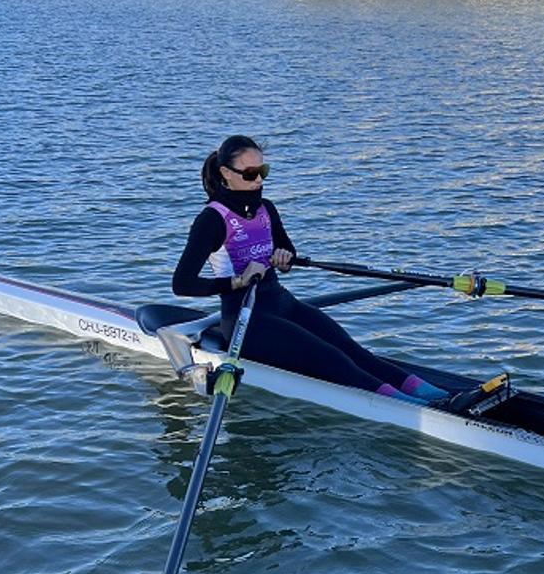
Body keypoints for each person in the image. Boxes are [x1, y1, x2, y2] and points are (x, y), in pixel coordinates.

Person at [172, 135, 448, 404]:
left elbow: (286, 252)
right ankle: (413, 408)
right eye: (250, 173)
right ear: (226, 173)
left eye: (263, 171)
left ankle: (439, 396)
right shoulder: (211, 220)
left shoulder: (266, 209)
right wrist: (237, 281)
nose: (258, 180)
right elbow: (182, 284)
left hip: (281, 303)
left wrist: (283, 257)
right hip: (247, 320)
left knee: (352, 350)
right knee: (331, 358)